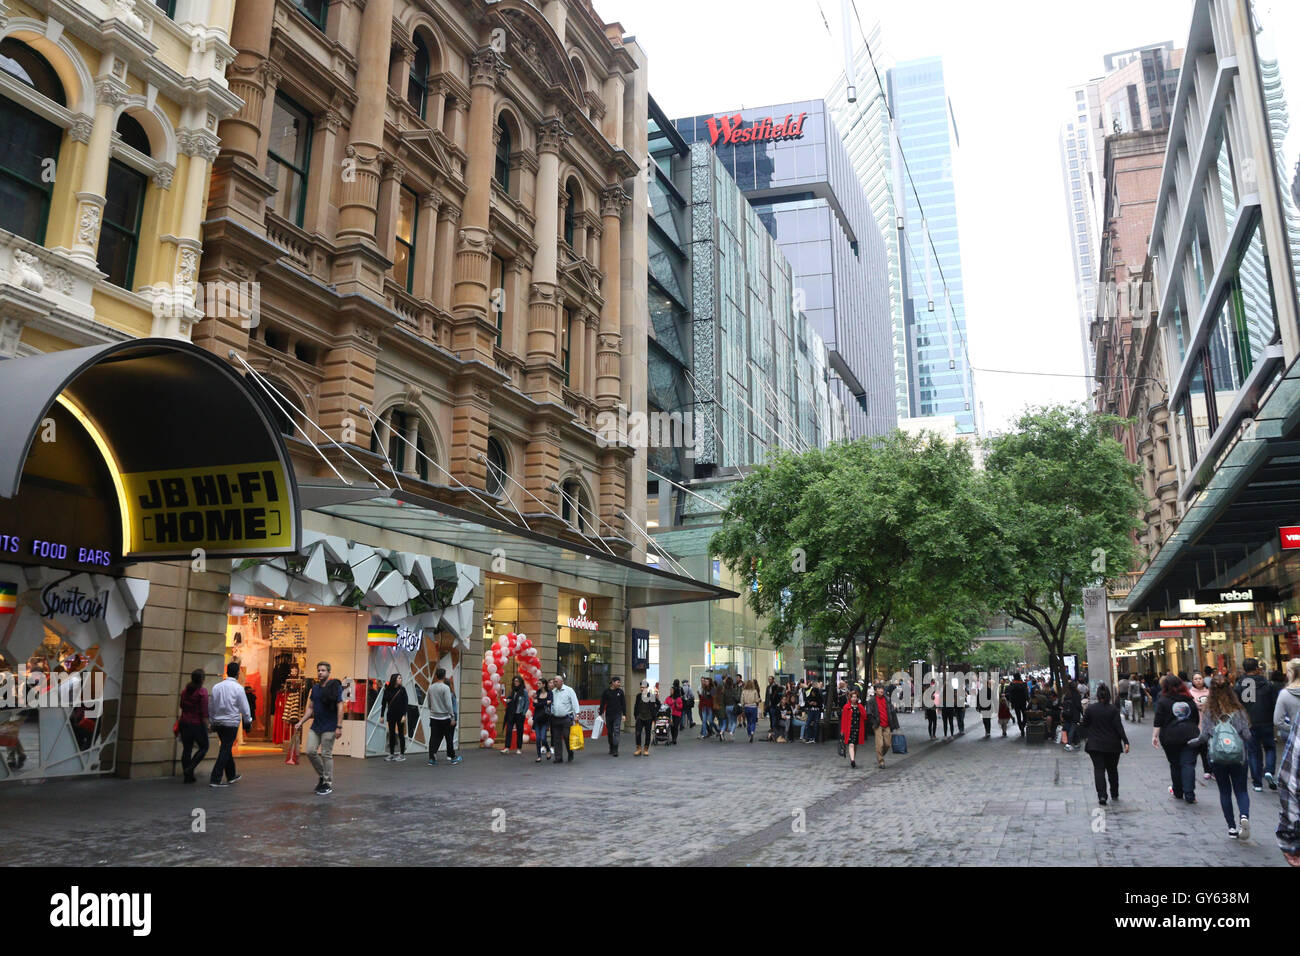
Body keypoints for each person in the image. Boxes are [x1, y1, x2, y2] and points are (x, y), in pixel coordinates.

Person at [1201, 673, 1253, 839]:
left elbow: (1205, 735)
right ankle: (1243, 816)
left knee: (1224, 792)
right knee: (1241, 790)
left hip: (1217, 757)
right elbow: (1247, 735)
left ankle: (1231, 828)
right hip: (1238, 756)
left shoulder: (1209, 711)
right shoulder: (1238, 710)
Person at [296, 661, 344, 794]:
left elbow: (340, 707)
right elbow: (310, 708)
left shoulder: (335, 687)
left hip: (330, 725)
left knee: (326, 753)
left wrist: (339, 726)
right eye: (318, 670)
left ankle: (327, 783)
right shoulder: (315, 688)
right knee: (310, 751)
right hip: (316, 725)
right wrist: (301, 722)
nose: (320, 672)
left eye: (323, 670)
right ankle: (323, 775)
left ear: (329, 672)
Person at [1153, 674, 1201, 804]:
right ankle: (1190, 794)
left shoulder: (1163, 700)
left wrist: (1155, 736)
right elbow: (1196, 719)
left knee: (1175, 764)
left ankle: (1178, 791)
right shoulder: (1189, 700)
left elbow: (1158, 720)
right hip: (1190, 735)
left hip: (1170, 736)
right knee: (1188, 764)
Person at [1081, 683, 1128, 805]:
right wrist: (1126, 741)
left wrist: (1086, 737)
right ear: (1109, 695)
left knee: (1099, 769)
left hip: (1095, 745)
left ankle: (1102, 796)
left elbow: (1084, 725)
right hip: (1112, 745)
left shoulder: (1090, 709)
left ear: (1097, 695)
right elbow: (1119, 727)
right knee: (1112, 770)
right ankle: (1114, 792)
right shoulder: (1113, 710)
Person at [1236, 658, 1279, 793]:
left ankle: (1257, 783)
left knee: (1253, 752)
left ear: (1244, 669)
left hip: (1249, 723)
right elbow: (1274, 703)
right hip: (1266, 721)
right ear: (1257, 669)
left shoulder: (1239, 685)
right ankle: (1270, 771)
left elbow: (1237, 705)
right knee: (1270, 747)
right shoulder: (1267, 684)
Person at [209, 661, 251, 788]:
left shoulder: (217, 687)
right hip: (231, 722)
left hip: (219, 722)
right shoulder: (238, 688)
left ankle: (231, 775)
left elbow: (211, 706)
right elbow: (245, 708)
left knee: (226, 747)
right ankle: (215, 778)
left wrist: (212, 720)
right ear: (238, 674)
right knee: (225, 748)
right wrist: (248, 721)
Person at [177, 668, 210, 783]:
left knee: (187, 749)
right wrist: (207, 724)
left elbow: (181, 706)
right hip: (197, 724)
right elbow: (204, 711)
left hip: (184, 723)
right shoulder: (202, 692)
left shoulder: (185, 691)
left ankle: (188, 776)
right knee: (204, 747)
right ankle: (190, 768)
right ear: (202, 679)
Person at [426, 667, 461, 766]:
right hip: (445, 717)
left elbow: (429, 702)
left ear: (436, 676)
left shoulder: (431, 687)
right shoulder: (446, 688)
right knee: (448, 737)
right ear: (444, 676)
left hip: (434, 717)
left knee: (433, 738)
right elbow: (449, 704)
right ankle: (453, 758)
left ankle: (432, 758)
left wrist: (432, 709)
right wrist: (452, 716)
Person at [865, 682, 900, 768]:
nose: (881, 690)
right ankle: (881, 761)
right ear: (875, 691)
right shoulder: (871, 701)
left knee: (888, 744)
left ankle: (879, 755)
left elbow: (892, 712)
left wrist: (896, 725)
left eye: (882, 689)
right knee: (879, 744)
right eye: (879, 689)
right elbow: (868, 713)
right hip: (878, 725)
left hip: (887, 724)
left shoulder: (887, 699)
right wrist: (874, 722)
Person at [549, 673, 581, 764]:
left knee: (567, 736)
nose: (554, 683)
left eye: (556, 681)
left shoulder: (569, 690)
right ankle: (558, 757)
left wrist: (577, 715)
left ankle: (570, 753)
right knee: (556, 738)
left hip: (566, 718)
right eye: (554, 681)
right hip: (555, 718)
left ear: (561, 682)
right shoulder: (553, 692)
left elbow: (575, 702)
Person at [1188, 672, 1211, 778]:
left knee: (1211, 747)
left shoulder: (1209, 692)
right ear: (1192, 681)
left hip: (1210, 723)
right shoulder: (1190, 693)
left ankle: (1212, 769)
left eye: (1200, 678)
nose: (1198, 681)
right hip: (1197, 724)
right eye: (1196, 679)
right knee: (1202, 747)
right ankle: (1207, 770)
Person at [597, 676, 627, 756]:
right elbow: (602, 703)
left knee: (616, 731)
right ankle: (611, 746)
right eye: (618, 682)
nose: (619, 684)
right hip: (609, 715)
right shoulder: (606, 692)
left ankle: (616, 749)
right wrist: (600, 714)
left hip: (617, 714)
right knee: (610, 732)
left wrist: (624, 714)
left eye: (619, 682)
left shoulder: (620, 692)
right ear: (613, 682)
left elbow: (623, 704)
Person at [381, 673, 408, 761]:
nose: (401, 679)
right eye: (399, 678)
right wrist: (382, 715)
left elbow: (405, 703)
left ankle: (402, 754)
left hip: (400, 715)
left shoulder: (402, 690)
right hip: (391, 715)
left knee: (401, 734)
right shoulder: (387, 690)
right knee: (391, 734)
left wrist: (404, 715)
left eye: (401, 678)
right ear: (394, 679)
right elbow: (383, 703)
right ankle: (391, 754)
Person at [840, 689, 868, 768]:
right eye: (852, 697)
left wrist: (861, 709)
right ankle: (852, 760)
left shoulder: (860, 706)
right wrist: (842, 730)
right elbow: (843, 719)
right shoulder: (846, 707)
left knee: (855, 745)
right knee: (851, 744)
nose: (854, 699)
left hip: (858, 728)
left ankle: (853, 758)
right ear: (850, 698)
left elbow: (865, 716)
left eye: (855, 697)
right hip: (849, 728)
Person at [501, 675, 529, 755]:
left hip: (519, 714)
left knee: (520, 731)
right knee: (509, 730)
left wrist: (523, 713)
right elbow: (509, 699)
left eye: (517, 681)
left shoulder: (524, 692)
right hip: (511, 713)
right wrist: (507, 700)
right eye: (514, 681)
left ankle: (519, 748)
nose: (515, 683)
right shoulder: (512, 691)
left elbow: (527, 703)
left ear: (520, 682)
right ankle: (507, 747)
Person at [632, 680, 660, 756]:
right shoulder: (638, 696)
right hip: (640, 717)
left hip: (648, 718)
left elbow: (659, 704)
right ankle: (638, 749)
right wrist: (636, 715)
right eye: (641, 687)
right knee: (638, 733)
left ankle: (646, 749)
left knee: (648, 734)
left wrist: (654, 712)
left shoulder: (651, 696)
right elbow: (636, 706)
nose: (642, 689)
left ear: (647, 688)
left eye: (643, 687)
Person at [533, 677, 553, 762]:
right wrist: (544, 703)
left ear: (544, 685)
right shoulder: (537, 693)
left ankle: (548, 749)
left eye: (539, 683)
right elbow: (535, 704)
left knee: (543, 738)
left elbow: (550, 702)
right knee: (538, 738)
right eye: (537, 683)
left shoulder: (549, 693)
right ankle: (539, 756)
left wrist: (540, 703)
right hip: (537, 718)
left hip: (545, 719)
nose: (538, 685)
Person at [1060, 681, 1082, 752]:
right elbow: (1078, 705)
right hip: (1075, 714)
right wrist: (1082, 712)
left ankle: (1077, 742)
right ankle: (1068, 744)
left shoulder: (1067, 694)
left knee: (1073, 728)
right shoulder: (1077, 695)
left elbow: (1063, 704)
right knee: (1072, 729)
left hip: (1068, 714)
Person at [663, 680, 684, 745]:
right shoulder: (668, 698)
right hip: (670, 714)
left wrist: (676, 705)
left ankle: (675, 739)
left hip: (677, 714)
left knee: (675, 726)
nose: (670, 691)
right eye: (670, 690)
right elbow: (665, 704)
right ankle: (673, 738)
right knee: (672, 726)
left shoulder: (678, 698)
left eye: (671, 690)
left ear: (674, 691)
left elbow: (681, 707)